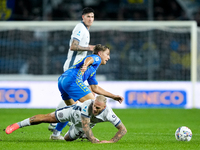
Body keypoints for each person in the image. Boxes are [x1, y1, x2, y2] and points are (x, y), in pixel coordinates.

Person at [52, 44, 124, 140]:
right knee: (93, 106)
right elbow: (90, 58)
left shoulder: (92, 70)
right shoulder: (96, 59)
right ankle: (84, 133)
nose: (109, 57)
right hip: (72, 80)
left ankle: (56, 134)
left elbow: (95, 88)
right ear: (100, 53)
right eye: (107, 54)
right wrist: (85, 65)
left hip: (62, 80)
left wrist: (113, 96)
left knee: (70, 110)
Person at [48, 7, 96, 136]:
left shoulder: (85, 30)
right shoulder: (80, 28)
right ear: (83, 17)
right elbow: (73, 46)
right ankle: (59, 124)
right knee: (86, 102)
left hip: (79, 69)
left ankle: (56, 130)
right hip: (72, 68)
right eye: (88, 16)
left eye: (92, 17)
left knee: (72, 100)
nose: (90, 19)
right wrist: (90, 47)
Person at [5, 95, 127, 143]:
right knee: (48, 118)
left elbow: (123, 130)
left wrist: (111, 142)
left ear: (104, 107)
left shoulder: (109, 113)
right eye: (94, 105)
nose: (94, 109)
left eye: (98, 108)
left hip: (81, 126)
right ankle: (17, 125)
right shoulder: (87, 105)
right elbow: (86, 125)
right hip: (73, 113)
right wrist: (94, 141)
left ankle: (80, 133)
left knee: (67, 139)